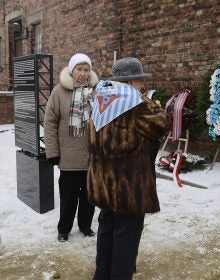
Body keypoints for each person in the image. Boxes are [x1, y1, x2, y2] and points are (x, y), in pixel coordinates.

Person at [87, 57, 169, 279]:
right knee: (126, 239)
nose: (143, 85)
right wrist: (149, 101)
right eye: (141, 81)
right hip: (129, 187)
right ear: (132, 82)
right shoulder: (136, 104)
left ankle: (102, 275)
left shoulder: (101, 99)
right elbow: (162, 124)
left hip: (104, 182)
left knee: (107, 230)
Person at [44, 53, 98, 242]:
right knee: (68, 198)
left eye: (86, 70)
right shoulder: (59, 92)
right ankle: (64, 229)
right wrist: (52, 152)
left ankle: (85, 225)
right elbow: (49, 122)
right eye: (79, 69)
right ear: (71, 70)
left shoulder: (96, 92)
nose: (83, 74)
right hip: (68, 156)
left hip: (91, 156)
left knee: (89, 198)